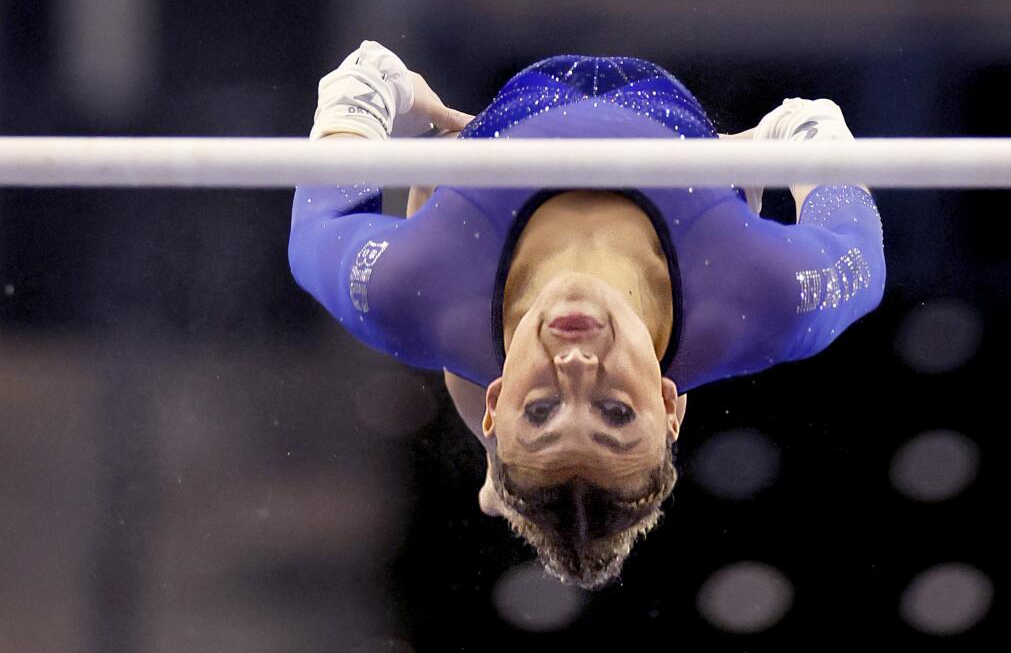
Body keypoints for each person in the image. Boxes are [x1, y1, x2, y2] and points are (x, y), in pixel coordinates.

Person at [289, 41, 885, 588]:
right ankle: (506, 458)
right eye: (616, 412)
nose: (575, 367)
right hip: (697, 194)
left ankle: (500, 458)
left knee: (449, 332)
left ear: (498, 400)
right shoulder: (764, 299)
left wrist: (375, 95)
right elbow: (858, 256)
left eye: (541, 409)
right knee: (464, 342)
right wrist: (800, 137)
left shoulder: (410, 291)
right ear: (670, 404)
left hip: (471, 241)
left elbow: (320, 228)